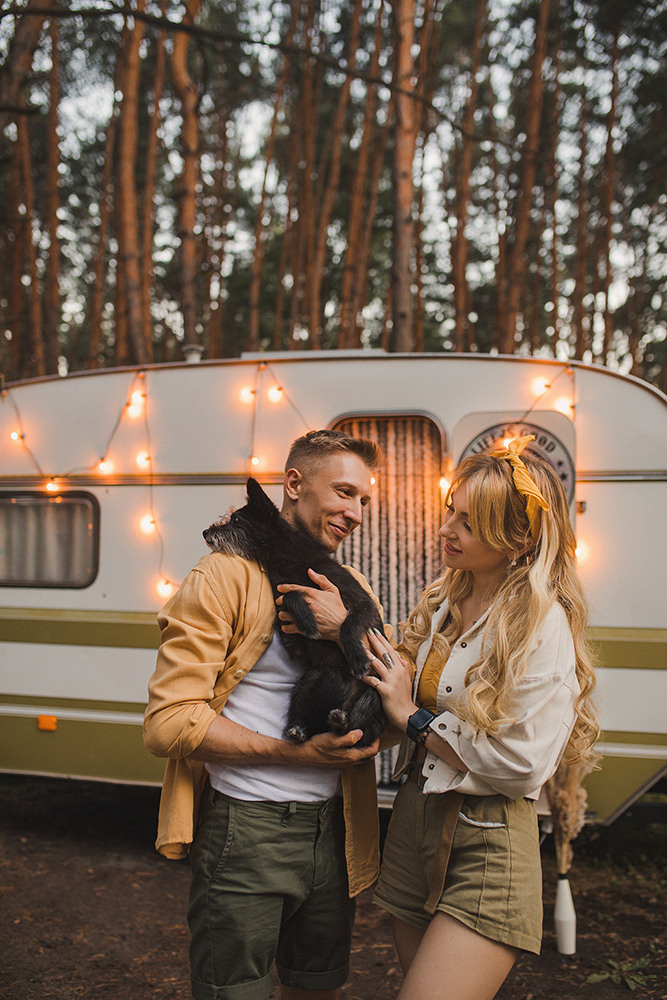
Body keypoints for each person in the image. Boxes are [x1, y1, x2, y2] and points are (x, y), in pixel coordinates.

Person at [143, 429, 385, 1000]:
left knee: (316, 986)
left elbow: (386, 683)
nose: (354, 513)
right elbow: (169, 721)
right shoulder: (223, 575)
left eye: (363, 501)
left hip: (336, 827)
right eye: (344, 492)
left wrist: (338, 627)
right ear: (294, 484)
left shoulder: (346, 587)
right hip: (248, 828)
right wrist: (292, 753)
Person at [361, 436, 600, 1000]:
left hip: (487, 839)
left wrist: (413, 718)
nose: (447, 529)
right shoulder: (446, 598)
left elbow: (520, 767)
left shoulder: (542, 628)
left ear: (517, 540)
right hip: (413, 820)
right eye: (452, 510)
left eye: (469, 522)